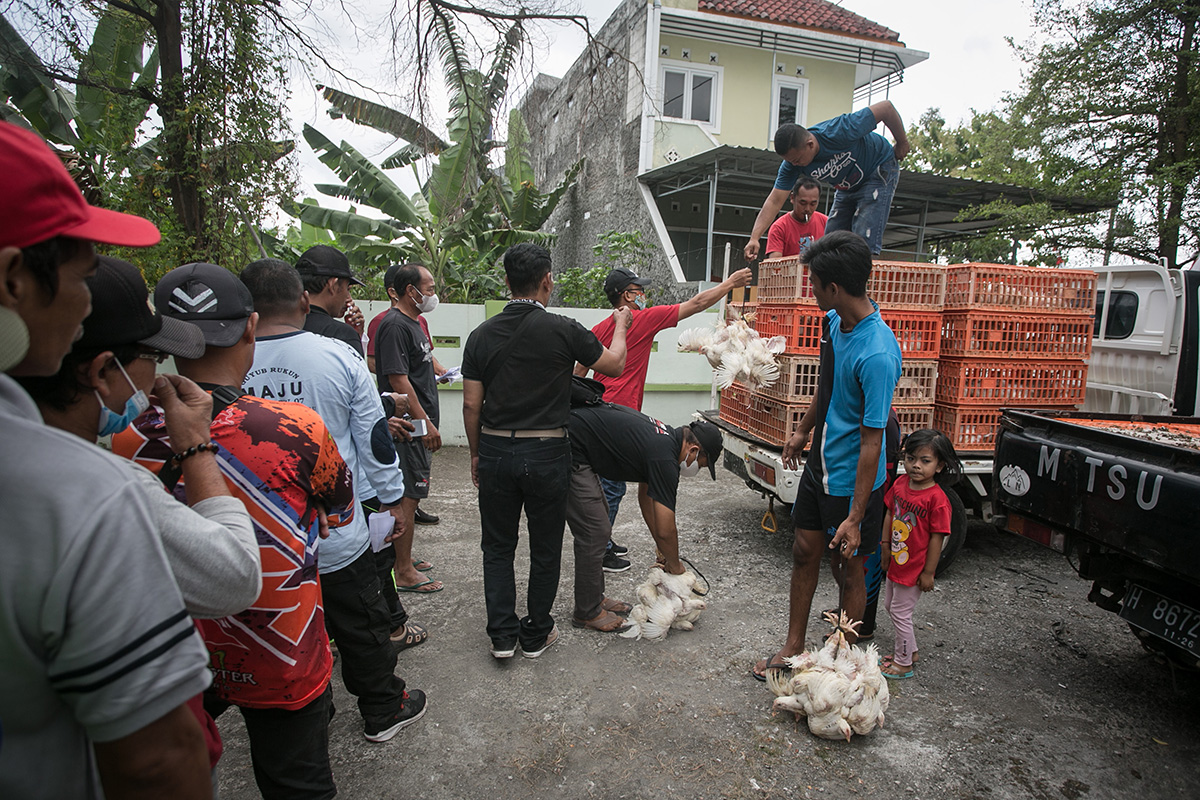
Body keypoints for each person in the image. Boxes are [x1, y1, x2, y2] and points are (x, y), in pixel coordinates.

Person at [0, 120, 214, 798]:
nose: (85, 301)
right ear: (14, 279)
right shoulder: (74, 493)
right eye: (81, 275)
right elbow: (155, 761)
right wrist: (197, 450)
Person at [113, 261, 360, 796]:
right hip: (280, 644)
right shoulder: (297, 428)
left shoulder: (123, 442)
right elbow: (340, 512)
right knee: (297, 783)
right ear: (250, 327)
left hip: (181, 643)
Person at [239, 258, 428, 743]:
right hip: (339, 530)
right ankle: (383, 708)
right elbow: (373, 437)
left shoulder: (229, 359)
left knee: (290, 629)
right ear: (303, 299)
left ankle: (312, 708)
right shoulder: (336, 355)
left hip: (262, 539)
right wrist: (390, 500)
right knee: (361, 624)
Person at [461, 243, 631, 659]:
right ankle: (536, 633)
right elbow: (614, 366)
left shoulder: (480, 336)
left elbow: (471, 405)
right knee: (545, 546)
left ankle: (502, 636)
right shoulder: (562, 328)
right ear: (547, 281)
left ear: (505, 282)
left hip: (498, 450)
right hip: (548, 452)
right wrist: (622, 326)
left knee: (498, 547)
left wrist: (476, 454)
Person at [752, 231, 902, 681]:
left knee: (848, 569)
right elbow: (830, 386)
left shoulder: (877, 353)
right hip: (822, 465)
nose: (810, 290)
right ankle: (795, 646)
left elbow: (873, 442)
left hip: (853, 482)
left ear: (834, 288)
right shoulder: (837, 322)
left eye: (814, 283)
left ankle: (840, 667)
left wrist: (856, 517)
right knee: (803, 551)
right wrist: (802, 430)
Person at [579, 262, 753, 571]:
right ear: (626, 296)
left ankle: (602, 540)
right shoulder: (642, 319)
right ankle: (600, 548)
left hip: (599, 411)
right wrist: (730, 283)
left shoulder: (601, 328)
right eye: (639, 290)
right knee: (612, 485)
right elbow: (696, 304)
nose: (644, 294)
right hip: (621, 412)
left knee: (607, 480)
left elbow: (580, 370)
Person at [565, 402, 724, 632]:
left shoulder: (665, 440)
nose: (696, 470)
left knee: (599, 526)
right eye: (701, 464)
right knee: (595, 530)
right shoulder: (665, 458)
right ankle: (587, 612)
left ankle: (594, 599)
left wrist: (662, 548)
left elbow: (646, 498)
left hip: (580, 444)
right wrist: (676, 567)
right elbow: (666, 528)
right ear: (693, 450)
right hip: (571, 447)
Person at [744, 101, 910, 260]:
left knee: (863, 239)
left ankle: (859, 284)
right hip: (847, 186)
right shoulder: (791, 165)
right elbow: (774, 201)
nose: (795, 164)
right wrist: (754, 237)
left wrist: (902, 142)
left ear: (810, 144)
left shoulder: (839, 130)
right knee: (829, 245)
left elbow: (886, 108)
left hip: (877, 169)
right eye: (791, 161)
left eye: (798, 159)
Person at [373, 264, 445, 593]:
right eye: (427, 289)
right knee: (407, 496)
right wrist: (424, 423)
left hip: (418, 421)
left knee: (411, 495)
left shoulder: (414, 324)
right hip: (409, 425)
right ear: (406, 291)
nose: (432, 294)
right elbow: (398, 380)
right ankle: (402, 571)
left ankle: (403, 558)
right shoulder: (394, 326)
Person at [880, 428, 962, 680]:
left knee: (900, 612)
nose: (915, 466)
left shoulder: (937, 500)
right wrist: (884, 547)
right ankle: (910, 651)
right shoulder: (901, 484)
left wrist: (929, 572)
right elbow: (890, 514)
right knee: (890, 606)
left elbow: (938, 537)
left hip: (915, 567)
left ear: (939, 466)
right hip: (897, 561)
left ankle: (904, 662)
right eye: (911, 458)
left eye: (925, 461)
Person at [297, 244, 366, 356]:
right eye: (347, 289)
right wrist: (354, 337)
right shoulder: (342, 335)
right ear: (332, 285)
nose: (348, 298)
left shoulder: (281, 327)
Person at [765, 177, 827, 259]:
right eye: (803, 203)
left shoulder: (826, 222)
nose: (807, 209)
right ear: (792, 198)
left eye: (813, 204)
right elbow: (775, 263)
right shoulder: (779, 227)